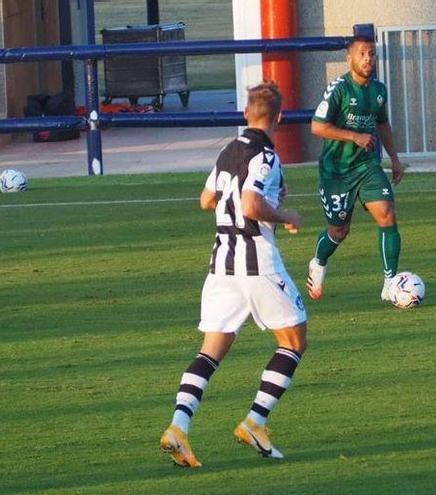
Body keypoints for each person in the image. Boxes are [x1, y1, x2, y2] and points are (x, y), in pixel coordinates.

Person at [160, 81, 307, 468]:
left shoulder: (229, 151)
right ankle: (255, 422)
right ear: (280, 117)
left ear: (246, 114)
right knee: (293, 341)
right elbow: (252, 203)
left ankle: (178, 428)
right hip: (256, 261)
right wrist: (285, 215)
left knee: (211, 352)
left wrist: (264, 199)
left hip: (221, 265)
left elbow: (206, 200)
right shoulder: (268, 156)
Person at [307, 35, 404, 303]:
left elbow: (382, 125)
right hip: (336, 171)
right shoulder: (338, 89)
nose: (368, 59)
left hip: (367, 165)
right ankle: (319, 262)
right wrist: (353, 136)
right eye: (362, 54)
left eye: (372, 54)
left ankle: (390, 283)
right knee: (339, 231)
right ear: (349, 58)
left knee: (387, 214)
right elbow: (316, 127)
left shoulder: (379, 91)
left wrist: (394, 159)